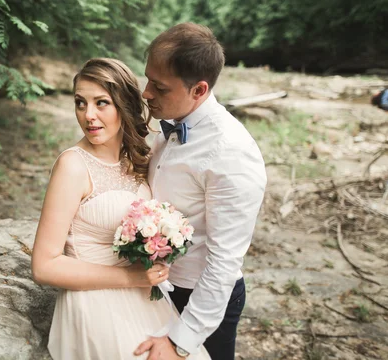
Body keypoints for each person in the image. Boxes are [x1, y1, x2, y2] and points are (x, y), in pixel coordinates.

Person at [31, 58, 210, 360]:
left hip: (146, 299)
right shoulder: (73, 166)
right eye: (80, 103)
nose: (88, 115)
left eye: (101, 103)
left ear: (124, 105)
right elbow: (44, 266)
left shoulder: (139, 159)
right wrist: (134, 278)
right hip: (94, 303)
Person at [134, 23, 267, 359]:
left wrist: (180, 341)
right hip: (158, 286)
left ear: (199, 89)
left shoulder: (232, 153)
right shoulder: (172, 122)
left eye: (159, 87)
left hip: (201, 301)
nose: (146, 92)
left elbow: (224, 262)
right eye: (147, 79)